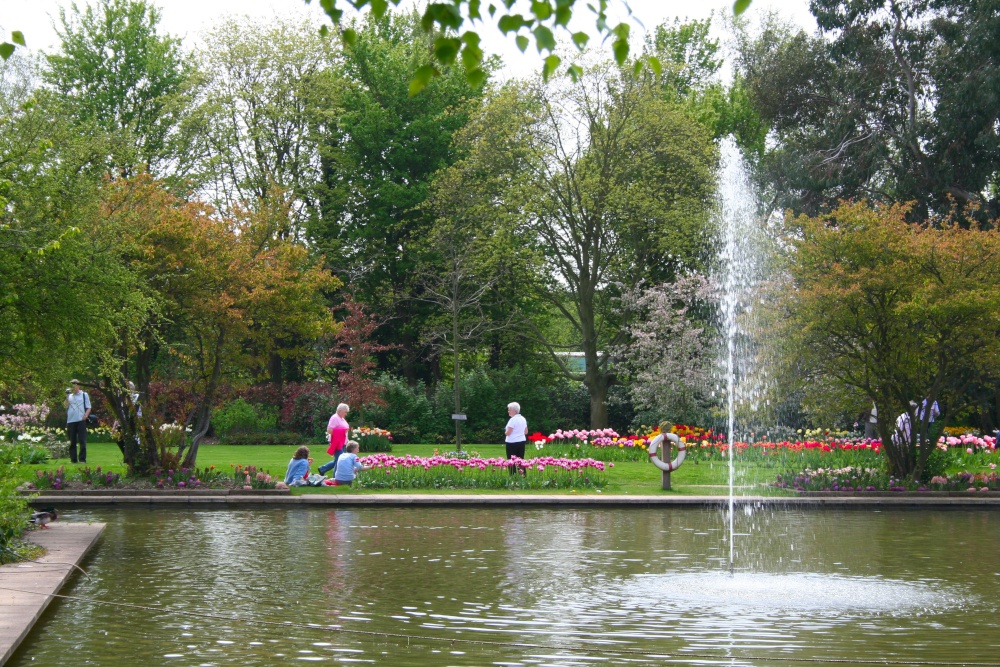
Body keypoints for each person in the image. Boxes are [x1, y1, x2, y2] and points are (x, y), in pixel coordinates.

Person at [318, 403, 350, 476]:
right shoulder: (334, 418)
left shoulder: (341, 418)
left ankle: (323, 469)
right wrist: (341, 432)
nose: (346, 414)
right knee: (340, 460)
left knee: (339, 459)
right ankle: (335, 477)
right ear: (340, 410)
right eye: (345, 412)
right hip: (337, 442)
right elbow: (329, 430)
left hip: (342, 442)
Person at [64, 379, 91, 463]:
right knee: (72, 441)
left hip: (80, 420)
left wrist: (86, 415)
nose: (73, 387)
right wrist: (67, 398)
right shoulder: (70, 396)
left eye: (74, 385)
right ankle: (73, 459)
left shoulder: (84, 394)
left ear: (78, 385)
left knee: (82, 440)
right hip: (71, 420)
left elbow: (88, 406)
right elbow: (65, 406)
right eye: (71, 385)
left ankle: (82, 459)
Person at [504, 401, 528, 476]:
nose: (508, 411)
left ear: (514, 411)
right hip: (521, 441)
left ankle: (512, 475)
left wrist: (505, 432)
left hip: (512, 442)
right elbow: (526, 431)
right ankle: (523, 475)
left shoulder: (512, 420)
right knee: (520, 459)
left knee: (511, 460)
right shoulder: (523, 418)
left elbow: (508, 432)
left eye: (509, 410)